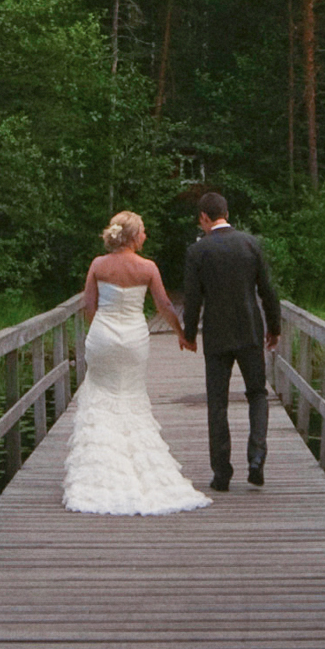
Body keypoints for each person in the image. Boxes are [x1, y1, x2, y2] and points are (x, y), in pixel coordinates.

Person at [60, 211, 209, 515]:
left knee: (101, 396)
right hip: (134, 340)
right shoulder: (147, 267)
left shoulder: (99, 265)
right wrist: (182, 334)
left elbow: (89, 305)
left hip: (103, 335)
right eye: (142, 232)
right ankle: (138, 467)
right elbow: (164, 305)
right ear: (132, 236)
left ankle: (100, 470)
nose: (145, 236)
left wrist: (99, 328)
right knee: (130, 395)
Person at [179, 192, 281, 490]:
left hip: (217, 334)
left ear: (204, 218)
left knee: (217, 402)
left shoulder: (197, 252)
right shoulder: (251, 243)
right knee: (258, 393)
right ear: (226, 212)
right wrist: (273, 327)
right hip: (250, 330)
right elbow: (268, 291)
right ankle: (257, 455)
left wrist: (188, 335)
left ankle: (222, 473)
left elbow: (193, 297)